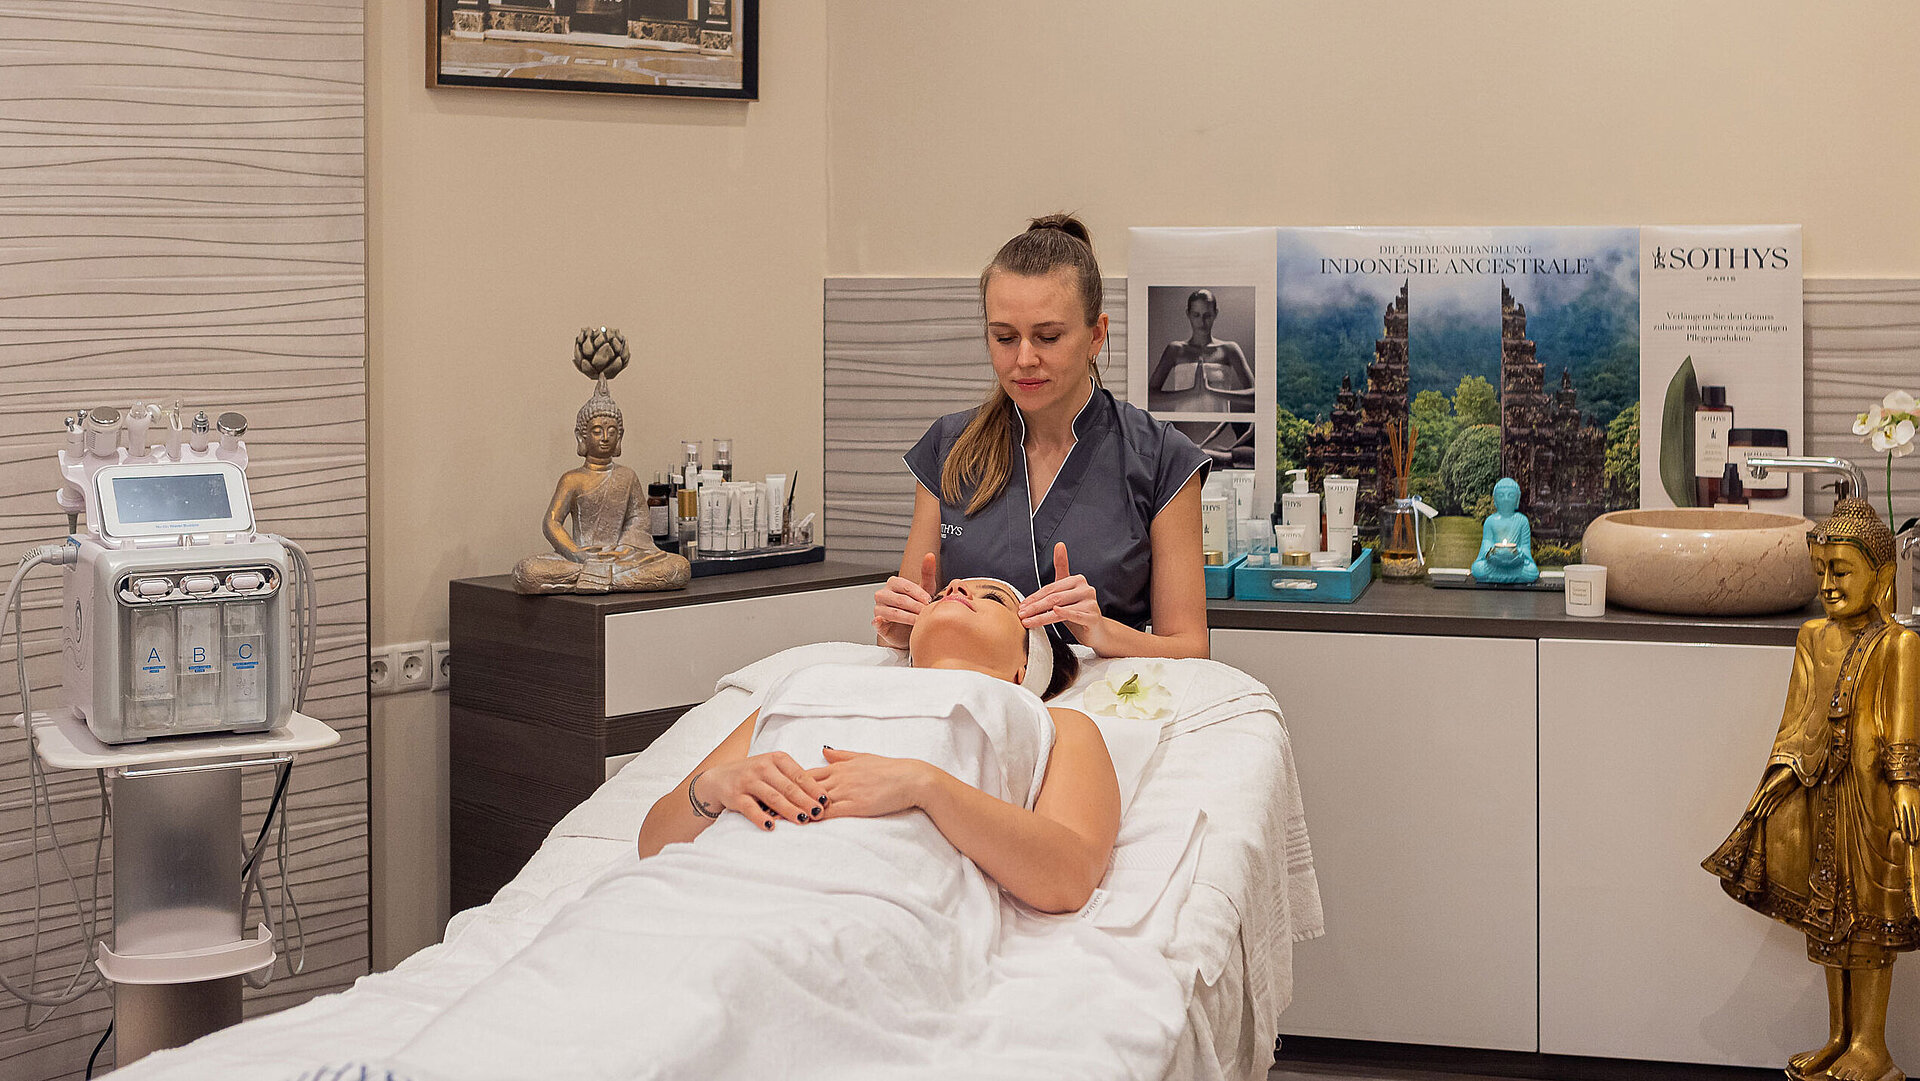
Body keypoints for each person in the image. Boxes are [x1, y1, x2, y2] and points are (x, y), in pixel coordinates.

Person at [638, 576, 1112, 915]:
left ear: (1025, 667)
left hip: (875, 905)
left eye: (993, 598)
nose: (955, 588)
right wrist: (713, 787)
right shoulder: (805, 684)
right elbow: (654, 842)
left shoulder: (1049, 721)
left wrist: (925, 786)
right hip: (707, 890)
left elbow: (1069, 878)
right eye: (943, 592)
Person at [873, 215, 1211, 661]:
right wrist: (898, 631)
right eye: (1004, 338)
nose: (1024, 359)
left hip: (1101, 699)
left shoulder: (1161, 459)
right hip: (974, 693)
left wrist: (1100, 632)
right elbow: (905, 634)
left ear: (1096, 335)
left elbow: (1190, 650)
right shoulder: (949, 448)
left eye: (1048, 337)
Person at [1703, 497, 1920, 1081]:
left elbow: (1903, 724)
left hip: (1873, 803)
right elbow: (1798, 717)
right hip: (1819, 795)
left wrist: (1906, 786)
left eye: (1841, 571)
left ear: (1883, 577)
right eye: (1820, 570)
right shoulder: (1812, 638)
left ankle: (1872, 1046)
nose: (1827, 584)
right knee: (1827, 918)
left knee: (1870, 921)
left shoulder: (1899, 644)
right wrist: (1783, 768)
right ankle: (1839, 1036)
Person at [511, 376, 690, 594]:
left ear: (620, 436)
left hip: (622, 558)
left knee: (678, 568)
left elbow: (639, 521)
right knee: (526, 572)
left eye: (612, 431)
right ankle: (607, 578)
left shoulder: (627, 476)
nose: (605, 437)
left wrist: (625, 549)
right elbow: (552, 522)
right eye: (597, 431)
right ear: (582, 437)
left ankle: (599, 580)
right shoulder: (572, 479)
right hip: (582, 557)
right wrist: (575, 552)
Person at [1146, 289, 1254, 413]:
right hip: (1184, 423)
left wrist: (1211, 391)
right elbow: (1150, 395)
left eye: (1207, 315)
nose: (1202, 322)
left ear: (1215, 314)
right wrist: (1191, 392)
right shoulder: (1175, 350)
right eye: (1196, 315)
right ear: (1188, 314)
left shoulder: (1229, 349)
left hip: (1221, 424)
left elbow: (1255, 396)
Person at [1470, 477, 1538, 584]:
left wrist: (1518, 554)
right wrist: (1492, 554)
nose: (1506, 499)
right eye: (1501, 495)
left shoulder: (1522, 521)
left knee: (1531, 571)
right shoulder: (1490, 521)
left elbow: (1525, 548)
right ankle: (1510, 577)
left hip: (1516, 564)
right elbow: (1486, 547)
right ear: (1495, 500)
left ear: (1517, 500)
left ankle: (1498, 577)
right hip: (1494, 563)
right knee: (1477, 569)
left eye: (1511, 495)